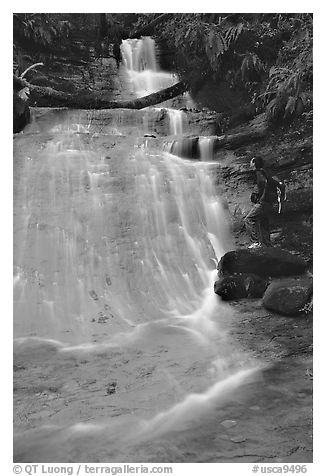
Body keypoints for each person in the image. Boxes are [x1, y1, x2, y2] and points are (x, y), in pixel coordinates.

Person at [245, 156, 275, 249]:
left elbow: (265, 184)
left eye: (251, 162)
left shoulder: (259, 173)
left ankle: (255, 242)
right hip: (270, 202)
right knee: (263, 222)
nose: (250, 164)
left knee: (249, 219)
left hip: (264, 202)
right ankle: (267, 244)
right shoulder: (265, 171)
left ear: (254, 163)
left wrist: (262, 198)